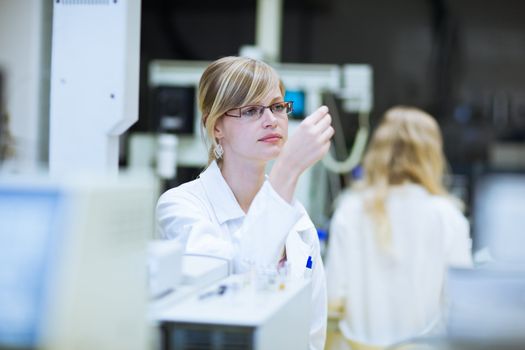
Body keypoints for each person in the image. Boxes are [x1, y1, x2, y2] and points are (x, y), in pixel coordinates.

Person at [156, 56, 334, 350]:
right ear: (216, 127)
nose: (271, 120)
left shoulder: (298, 220)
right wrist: (287, 169)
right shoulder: (182, 206)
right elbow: (234, 298)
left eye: (278, 106)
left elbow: (312, 334)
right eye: (251, 110)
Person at [325, 106, 473, 350]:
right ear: (432, 155)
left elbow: (332, 296)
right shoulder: (447, 215)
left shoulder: (350, 209)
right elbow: (462, 302)